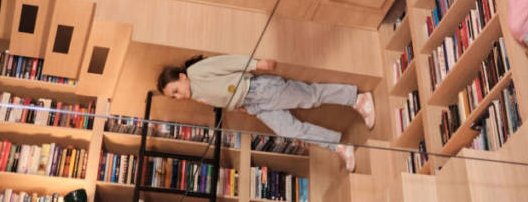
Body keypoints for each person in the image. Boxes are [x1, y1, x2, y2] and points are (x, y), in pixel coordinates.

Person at [158, 55, 374, 171]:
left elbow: (227, 63)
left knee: (310, 97)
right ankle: (340, 146)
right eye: (174, 97)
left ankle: (356, 98)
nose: (179, 96)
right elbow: (225, 96)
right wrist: (241, 108)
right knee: (290, 130)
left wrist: (256, 63)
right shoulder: (196, 95)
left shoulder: (197, 72)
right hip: (254, 105)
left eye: (175, 91)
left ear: (182, 76)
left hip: (259, 89)